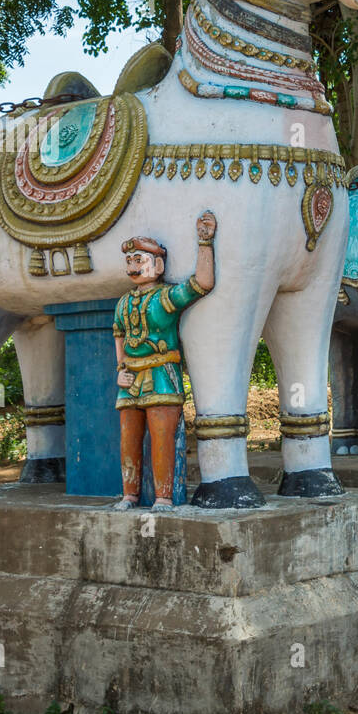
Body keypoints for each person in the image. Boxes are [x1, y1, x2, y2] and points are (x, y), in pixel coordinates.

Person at [111, 211, 216, 510]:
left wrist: (204, 242)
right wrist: (119, 370)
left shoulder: (165, 298)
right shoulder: (123, 302)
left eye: (139, 261)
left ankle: (163, 496)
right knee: (128, 439)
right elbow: (118, 335)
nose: (133, 267)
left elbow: (202, 284)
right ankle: (129, 494)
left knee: (161, 437)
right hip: (129, 379)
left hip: (161, 374)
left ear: (157, 265)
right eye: (129, 262)